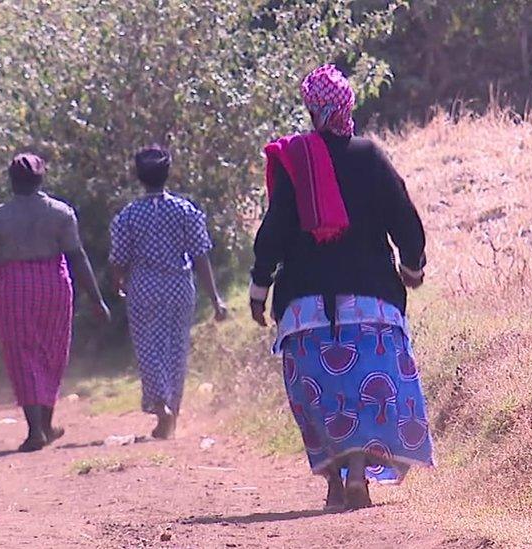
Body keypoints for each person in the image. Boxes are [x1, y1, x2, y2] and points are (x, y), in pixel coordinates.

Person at [249, 65, 434, 510]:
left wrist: (259, 288)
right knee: (368, 395)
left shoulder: (297, 163)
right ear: (349, 106)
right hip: (372, 306)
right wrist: (411, 267)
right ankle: (357, 472)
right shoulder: (370, 156)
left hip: (305, 310)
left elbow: (273, 231)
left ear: (311, 109)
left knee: (322, 399)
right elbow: (405, 219)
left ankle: (336, 477)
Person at [0, 153, 111, 453]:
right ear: (42, 179)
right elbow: (77, 256)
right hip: (54, 283)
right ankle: (46, 424)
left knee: (21, 353)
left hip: (14, 286)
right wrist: (96, 299)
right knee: (53, 350)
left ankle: (35, 429)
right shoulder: (60, 213)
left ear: (11, 180)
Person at [110, 145, 228, 440]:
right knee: (176, 348)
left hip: (144, 286)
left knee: (147, 346)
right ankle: (172, 410)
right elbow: (201, 255)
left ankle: (160, 406)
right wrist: (215, 298)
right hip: (179, 286)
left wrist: (119, 282)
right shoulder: (185, 211)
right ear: (167, 174)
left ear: (139, 176)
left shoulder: (128, 215)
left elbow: (118, 258)